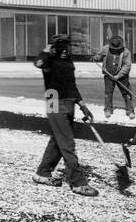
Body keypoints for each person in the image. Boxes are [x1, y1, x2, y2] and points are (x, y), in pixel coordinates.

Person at [32, 35, 98, 196]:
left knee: (58, 139)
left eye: (67, 47)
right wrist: (48, 48)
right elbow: (38, 63)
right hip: (54, 100)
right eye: (61, 47)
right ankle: (78, 182)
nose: (64, 50)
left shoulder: (68, 63)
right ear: (54, 48)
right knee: (67, 143)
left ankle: (42, 173)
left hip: (69, 102)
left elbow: (72, 85)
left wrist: (83, 106)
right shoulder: (49, 61)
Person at [98, 35, 134, 118]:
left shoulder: (126, 52)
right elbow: (100, 55)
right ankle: (108, 109)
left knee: (126, 93)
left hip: (122, 76)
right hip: (108, 74)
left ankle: (130, 110)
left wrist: (118, 76)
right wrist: (96, 57)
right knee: (108, 93)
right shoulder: (106, 48)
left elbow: (127, 66)